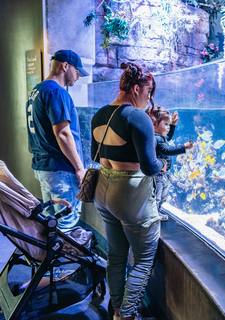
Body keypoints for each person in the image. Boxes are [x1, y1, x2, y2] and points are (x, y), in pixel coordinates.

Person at [91, 62, 166, 320]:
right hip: (129, 195)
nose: (149, 99)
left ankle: (114, 307)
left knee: (116, 253)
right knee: (144, 259)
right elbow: (149, 167)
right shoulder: (138, 117)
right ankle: (126, 315)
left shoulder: (99, 114)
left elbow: (94, 154)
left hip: (102, 191)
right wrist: (163, 163)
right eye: (149, 92)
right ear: (136, 88)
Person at [26, 49, 88, 231]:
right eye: (77, 72)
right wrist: (79, 168)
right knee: (66, 222)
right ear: (65, 66)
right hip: (61, 169)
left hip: (44, 167)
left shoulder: (37, 91)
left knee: (50, 221)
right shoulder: (57, 92)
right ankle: (59, 258)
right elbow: (63, 133)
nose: (78, 77)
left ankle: (47, 258)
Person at [145, 107, 193, 221]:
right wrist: (183, 147)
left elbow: (168, 136)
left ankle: (157, 211)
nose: (167, 127)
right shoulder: (156, 138)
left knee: (162, 196)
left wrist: (172, 124)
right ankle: (154, 214)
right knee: (157, 195)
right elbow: (167, 150)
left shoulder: (159, 136)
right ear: (154, 124)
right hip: (158, 175)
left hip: (163, 174)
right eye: (165, 124)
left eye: (168, 124)